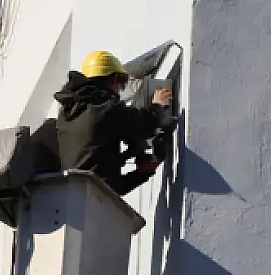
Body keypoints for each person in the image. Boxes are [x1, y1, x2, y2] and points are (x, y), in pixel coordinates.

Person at [32, 50, 175, 196]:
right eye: (120, 85)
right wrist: (158, 105)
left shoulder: (67, 113)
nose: (119, 93)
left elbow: (102, 178)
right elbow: (146, 124)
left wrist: (140, 173)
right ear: (113, 80)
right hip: (94, 200)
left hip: (75, 198)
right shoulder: (103, 108)